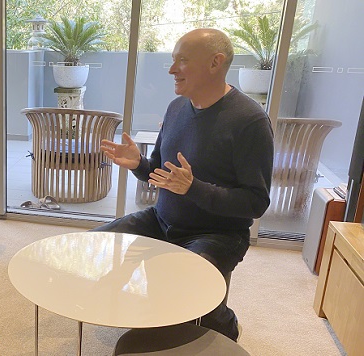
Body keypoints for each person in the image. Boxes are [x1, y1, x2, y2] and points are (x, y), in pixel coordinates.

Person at [94, 28, 274, 341]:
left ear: (215, 63)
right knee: (95, 245)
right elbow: (161, 174)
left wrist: (194, 188)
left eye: (182, 61)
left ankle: (223, 323)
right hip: (161, 220)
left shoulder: (250, 121)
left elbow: (256, 203)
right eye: (173, 61)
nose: (172, 69)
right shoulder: (176, 108)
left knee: (192, 284)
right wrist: (138, 164)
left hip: (218, 234)